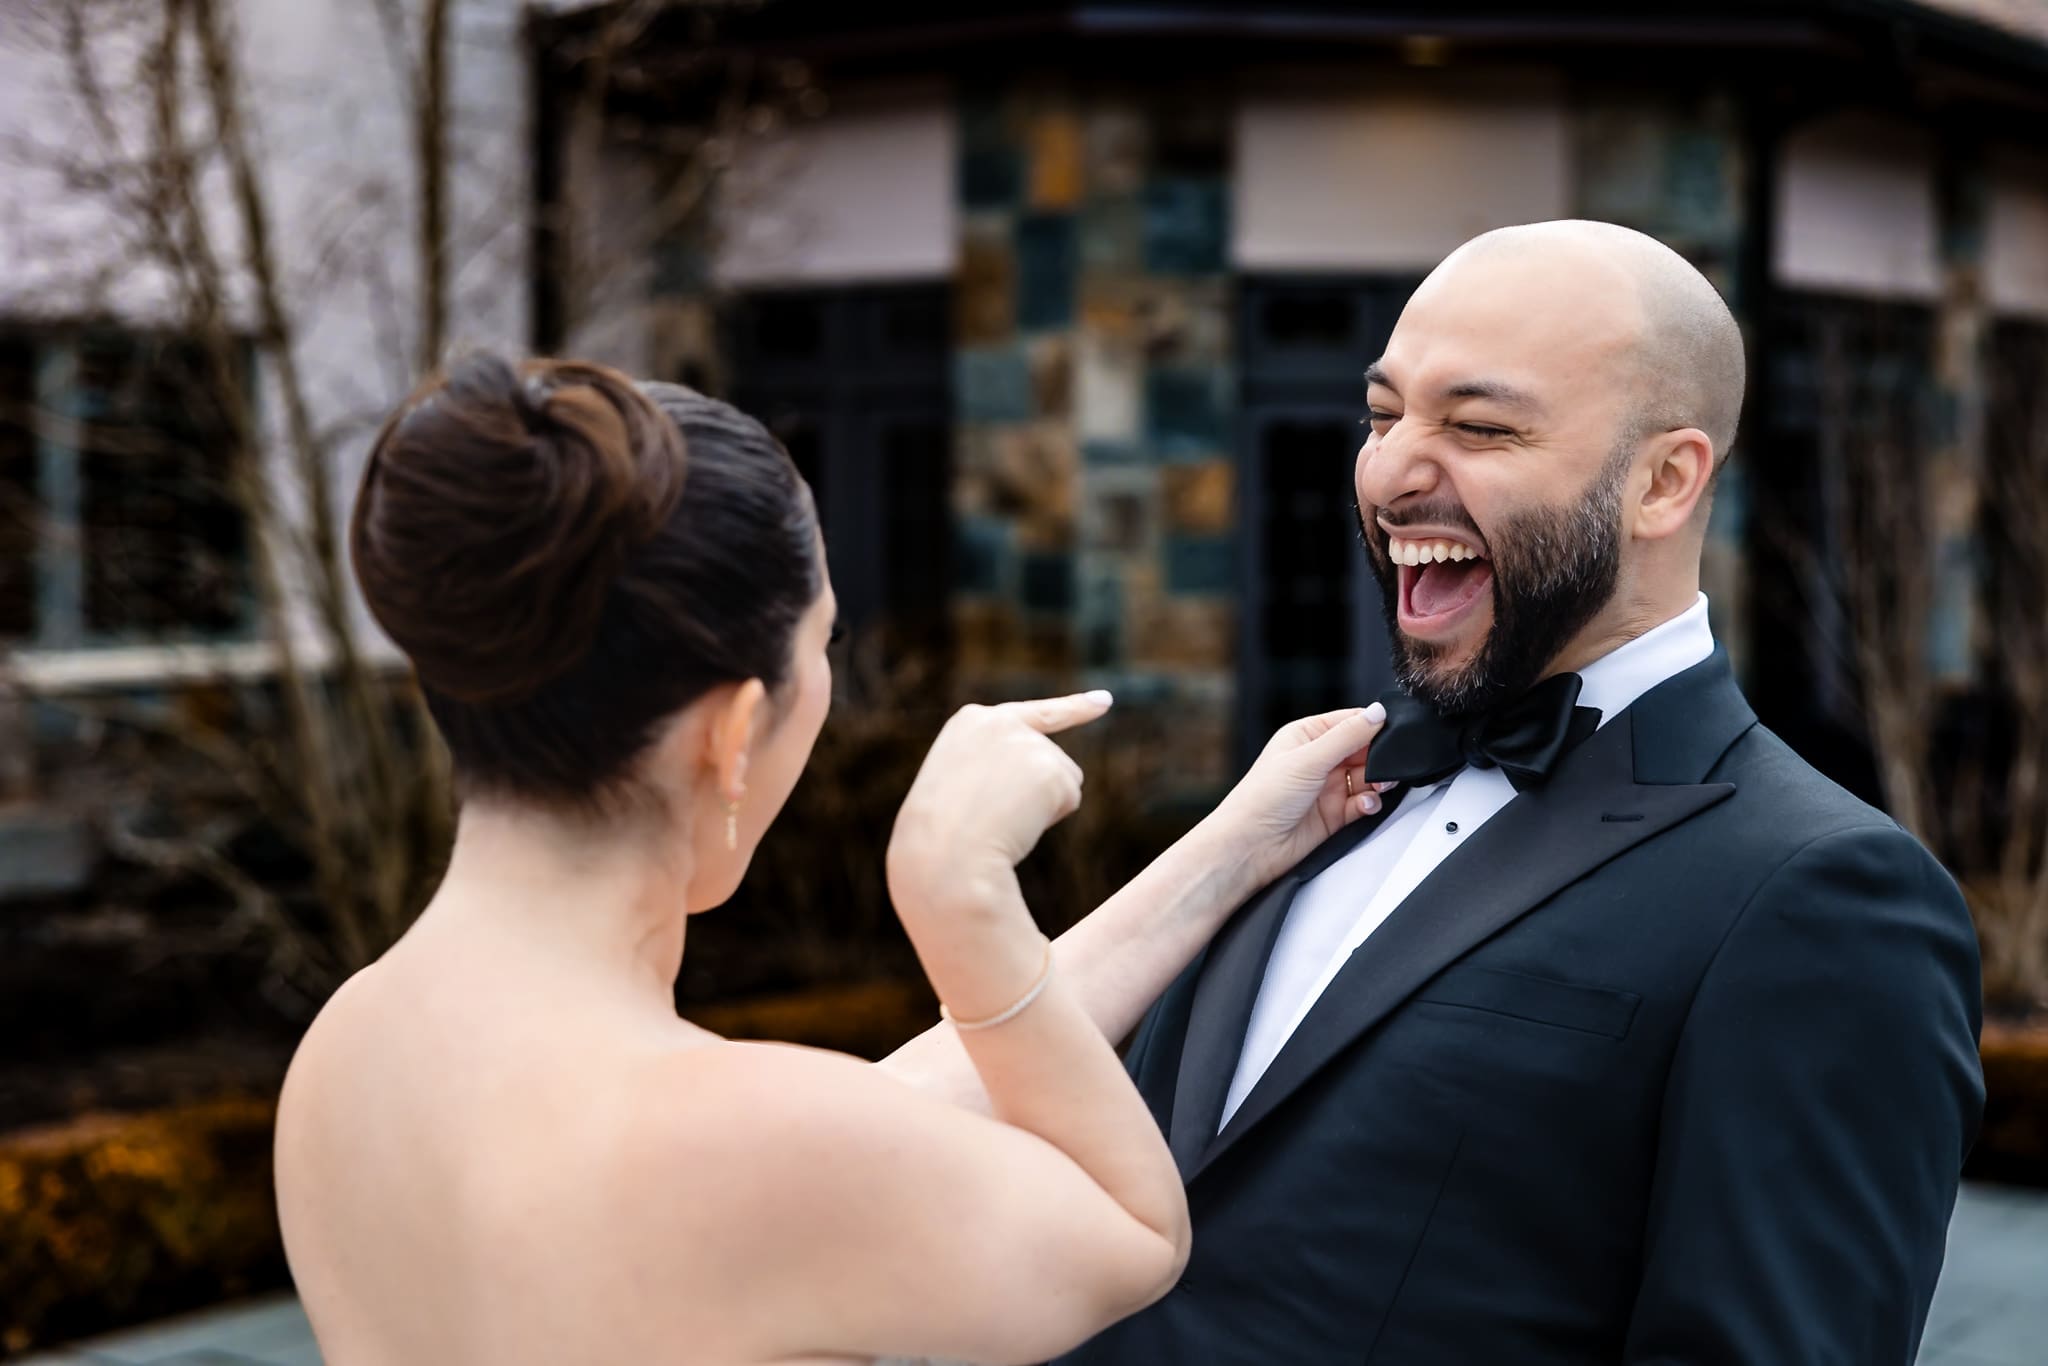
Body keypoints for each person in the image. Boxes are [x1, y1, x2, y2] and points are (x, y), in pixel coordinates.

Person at [273, 354, 1388, 1365]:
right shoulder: (747, 1147)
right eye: (825, 647)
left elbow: (857, 1128)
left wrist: (1234, 848)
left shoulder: (347, 1053)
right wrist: (961, 906)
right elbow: (1130, 1235)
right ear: (730, 726)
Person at [1055, 220, 1986, 1365]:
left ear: (1661, 481)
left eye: (1477, 426)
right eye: (1382, 413)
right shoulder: (1301, 797)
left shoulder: (1823, 893)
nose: (1392, 472)